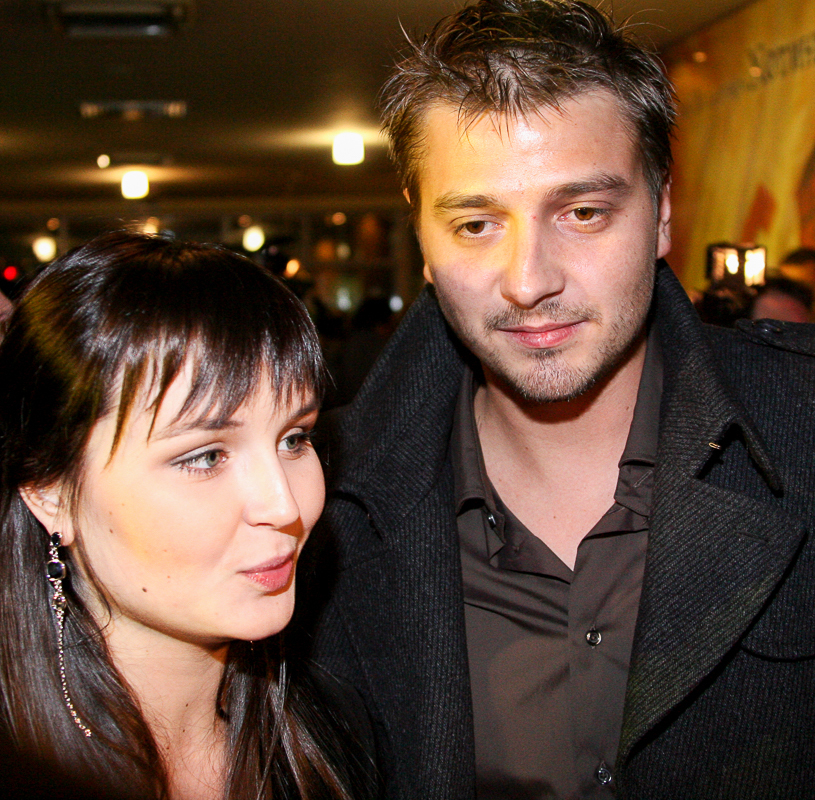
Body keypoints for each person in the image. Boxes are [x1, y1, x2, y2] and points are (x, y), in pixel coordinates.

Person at [304, 1, 815, 799]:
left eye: (582, 213)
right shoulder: (307, 503)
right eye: (476, 224)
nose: (528, 280)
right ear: (422, 237)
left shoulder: (802, 422)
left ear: (662, 211)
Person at [0, 231, 377, 799]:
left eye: (294, 439)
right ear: (50, 492)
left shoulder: (335, 733)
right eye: (205, 457)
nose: (284, 505)